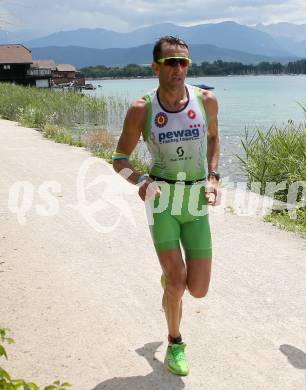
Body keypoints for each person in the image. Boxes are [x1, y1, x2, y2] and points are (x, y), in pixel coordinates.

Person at [112, 36, 220, 376]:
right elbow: (119, 159)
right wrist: (141, 182)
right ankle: (175, 342)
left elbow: (215, 138)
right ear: (155, 67)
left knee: (198, 290)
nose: (178, 68)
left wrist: (214, 177)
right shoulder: (142, 109)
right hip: (163, 203)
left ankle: (169, 281)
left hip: (196, 201)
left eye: (183, 62)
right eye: (171, 62)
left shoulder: (206, 101)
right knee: (177, 284)